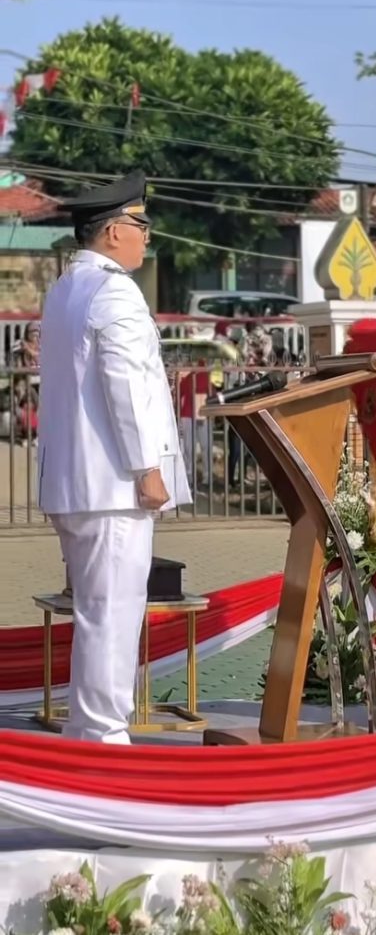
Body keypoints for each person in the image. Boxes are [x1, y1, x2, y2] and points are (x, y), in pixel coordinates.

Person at [38, 172, 191, 744]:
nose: (146, 236)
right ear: (110, 231)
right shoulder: (116, 291)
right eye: (139, 225)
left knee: (95, 616)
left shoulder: (65, 289)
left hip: (75, 484)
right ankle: (104, 738)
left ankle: (89, 732)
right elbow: (123, 386)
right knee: (114, 617)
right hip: (112, 485)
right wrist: (147, 468)